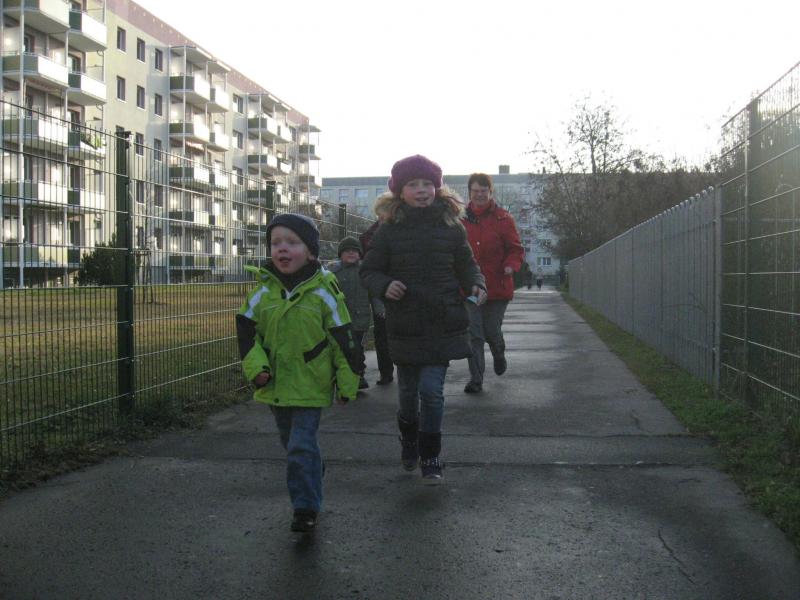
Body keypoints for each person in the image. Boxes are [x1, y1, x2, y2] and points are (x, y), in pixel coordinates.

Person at [360, 155, 486, 484]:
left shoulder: (451, 226)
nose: (421, 190)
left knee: (431, 392)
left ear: (437, 188)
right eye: (413, 184)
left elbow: (467, 265)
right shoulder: (388, 230)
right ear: (399, 191)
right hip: (404, 325)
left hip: (442, 320)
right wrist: (385, 285)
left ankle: (431, 454)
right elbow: (369, 271)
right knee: (407, 394)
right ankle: (409, 439)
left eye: (427, 184)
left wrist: (477, 283)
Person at [235, 213, 361, 533]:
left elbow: (343, 339)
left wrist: (348, 382)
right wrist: (257, 369)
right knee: (290, 442)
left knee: (300, 445)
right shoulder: (262, 293)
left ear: (311, 252)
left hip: (311, 383)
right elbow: (248, 336)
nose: (282, 249)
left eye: (292, 242)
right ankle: (312, 468)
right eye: (276, 243)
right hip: (276, 384)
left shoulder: (324, 292)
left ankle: (305, 507)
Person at [462, 173, 525, 394]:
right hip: (471, 287)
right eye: (475, 191)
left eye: (484, 191)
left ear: (490, 192)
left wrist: (510, 265)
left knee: (491, 331)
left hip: (497, 287)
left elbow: (515, 249)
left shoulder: (503, 219)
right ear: (469, 193)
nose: (479, 195)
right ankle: (476, 379)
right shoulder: (460, 219)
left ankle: (498, 352)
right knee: (474, 334)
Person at [329, 236, 371, 390]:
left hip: (360, 319)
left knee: (357, 349)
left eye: (354, 251)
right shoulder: (333, 272)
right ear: (340, 254)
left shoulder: (365, 271)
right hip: (340, 319)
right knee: (341, 349)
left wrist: (380, 308)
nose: (351, 253)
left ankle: (358, 375)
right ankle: (342, 377)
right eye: (347, 251)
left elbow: (374, 292)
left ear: (360, 254)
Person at [359, 217, 395, 385]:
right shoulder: (368, 237)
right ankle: (386, 372)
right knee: (381, 330)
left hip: (398, 285)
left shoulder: (369, 236)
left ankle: (394, 370)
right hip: (379, 288)